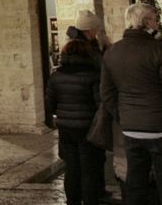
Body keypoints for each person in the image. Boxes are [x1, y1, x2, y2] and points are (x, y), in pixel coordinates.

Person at [101, 2, 162, 205]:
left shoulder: (112, 52)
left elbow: (106, 94)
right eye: (155, 19)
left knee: (136, 183)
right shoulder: (160, 52)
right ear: (146, 22)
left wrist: (124, 116)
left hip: (131, 130)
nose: (158, 23)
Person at [46, 38, 104, 205]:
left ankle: (72, 202)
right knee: (88, 170)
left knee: (71, 168)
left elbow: (49, 105)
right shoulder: (93, 75)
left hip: (66, 128)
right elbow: (99, 103)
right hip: (88, 128)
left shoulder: (56, 76)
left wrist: (63, 114)